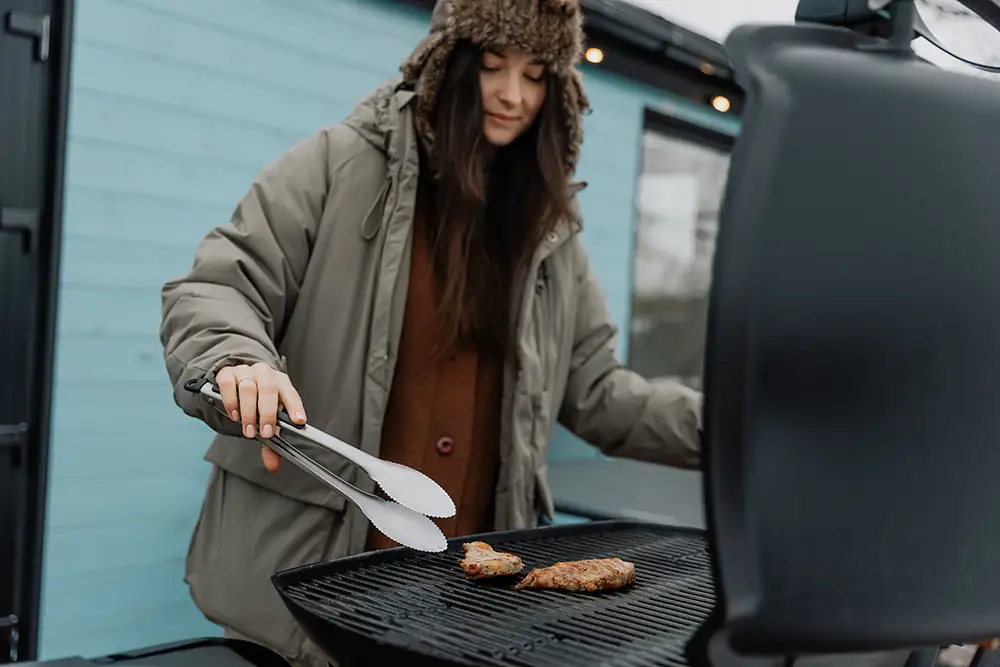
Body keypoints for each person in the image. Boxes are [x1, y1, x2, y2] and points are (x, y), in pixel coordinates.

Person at [159, 0, 702, 664]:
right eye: (493, 66)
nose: (511, 94)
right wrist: (237, 361)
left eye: (536, 75)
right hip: (311, 599)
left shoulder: (549, 228)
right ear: (448, 64)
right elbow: (218, 285)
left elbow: (599, 392)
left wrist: (730, 430)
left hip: (467, 615)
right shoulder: (339, 164)